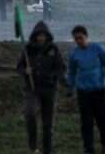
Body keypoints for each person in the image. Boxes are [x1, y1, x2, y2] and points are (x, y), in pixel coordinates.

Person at [17, 20, 66, 154]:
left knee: (47, 123)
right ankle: (33, 147)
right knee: (30, 113)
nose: (41, 38)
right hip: (32, 89)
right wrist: (25, 70)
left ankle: (48, 150)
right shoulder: (28, 49)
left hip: (49, 89)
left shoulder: (53, 49)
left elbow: (61, 68)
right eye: (38, 35)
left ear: (47, 36)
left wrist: (53, 77)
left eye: (43, 35)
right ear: (34, 35)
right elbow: (19, 67)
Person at [66, 25, 105, 154]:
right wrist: (70, 88)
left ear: (86, 37)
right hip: (83, 92)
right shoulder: (74, 54)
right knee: (86, 122)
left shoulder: (98, 49)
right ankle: (88, 148)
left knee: (102, 120)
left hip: (99, 90)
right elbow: (71, 72)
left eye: (80, 38)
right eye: (75, 39)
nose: (78, 41)